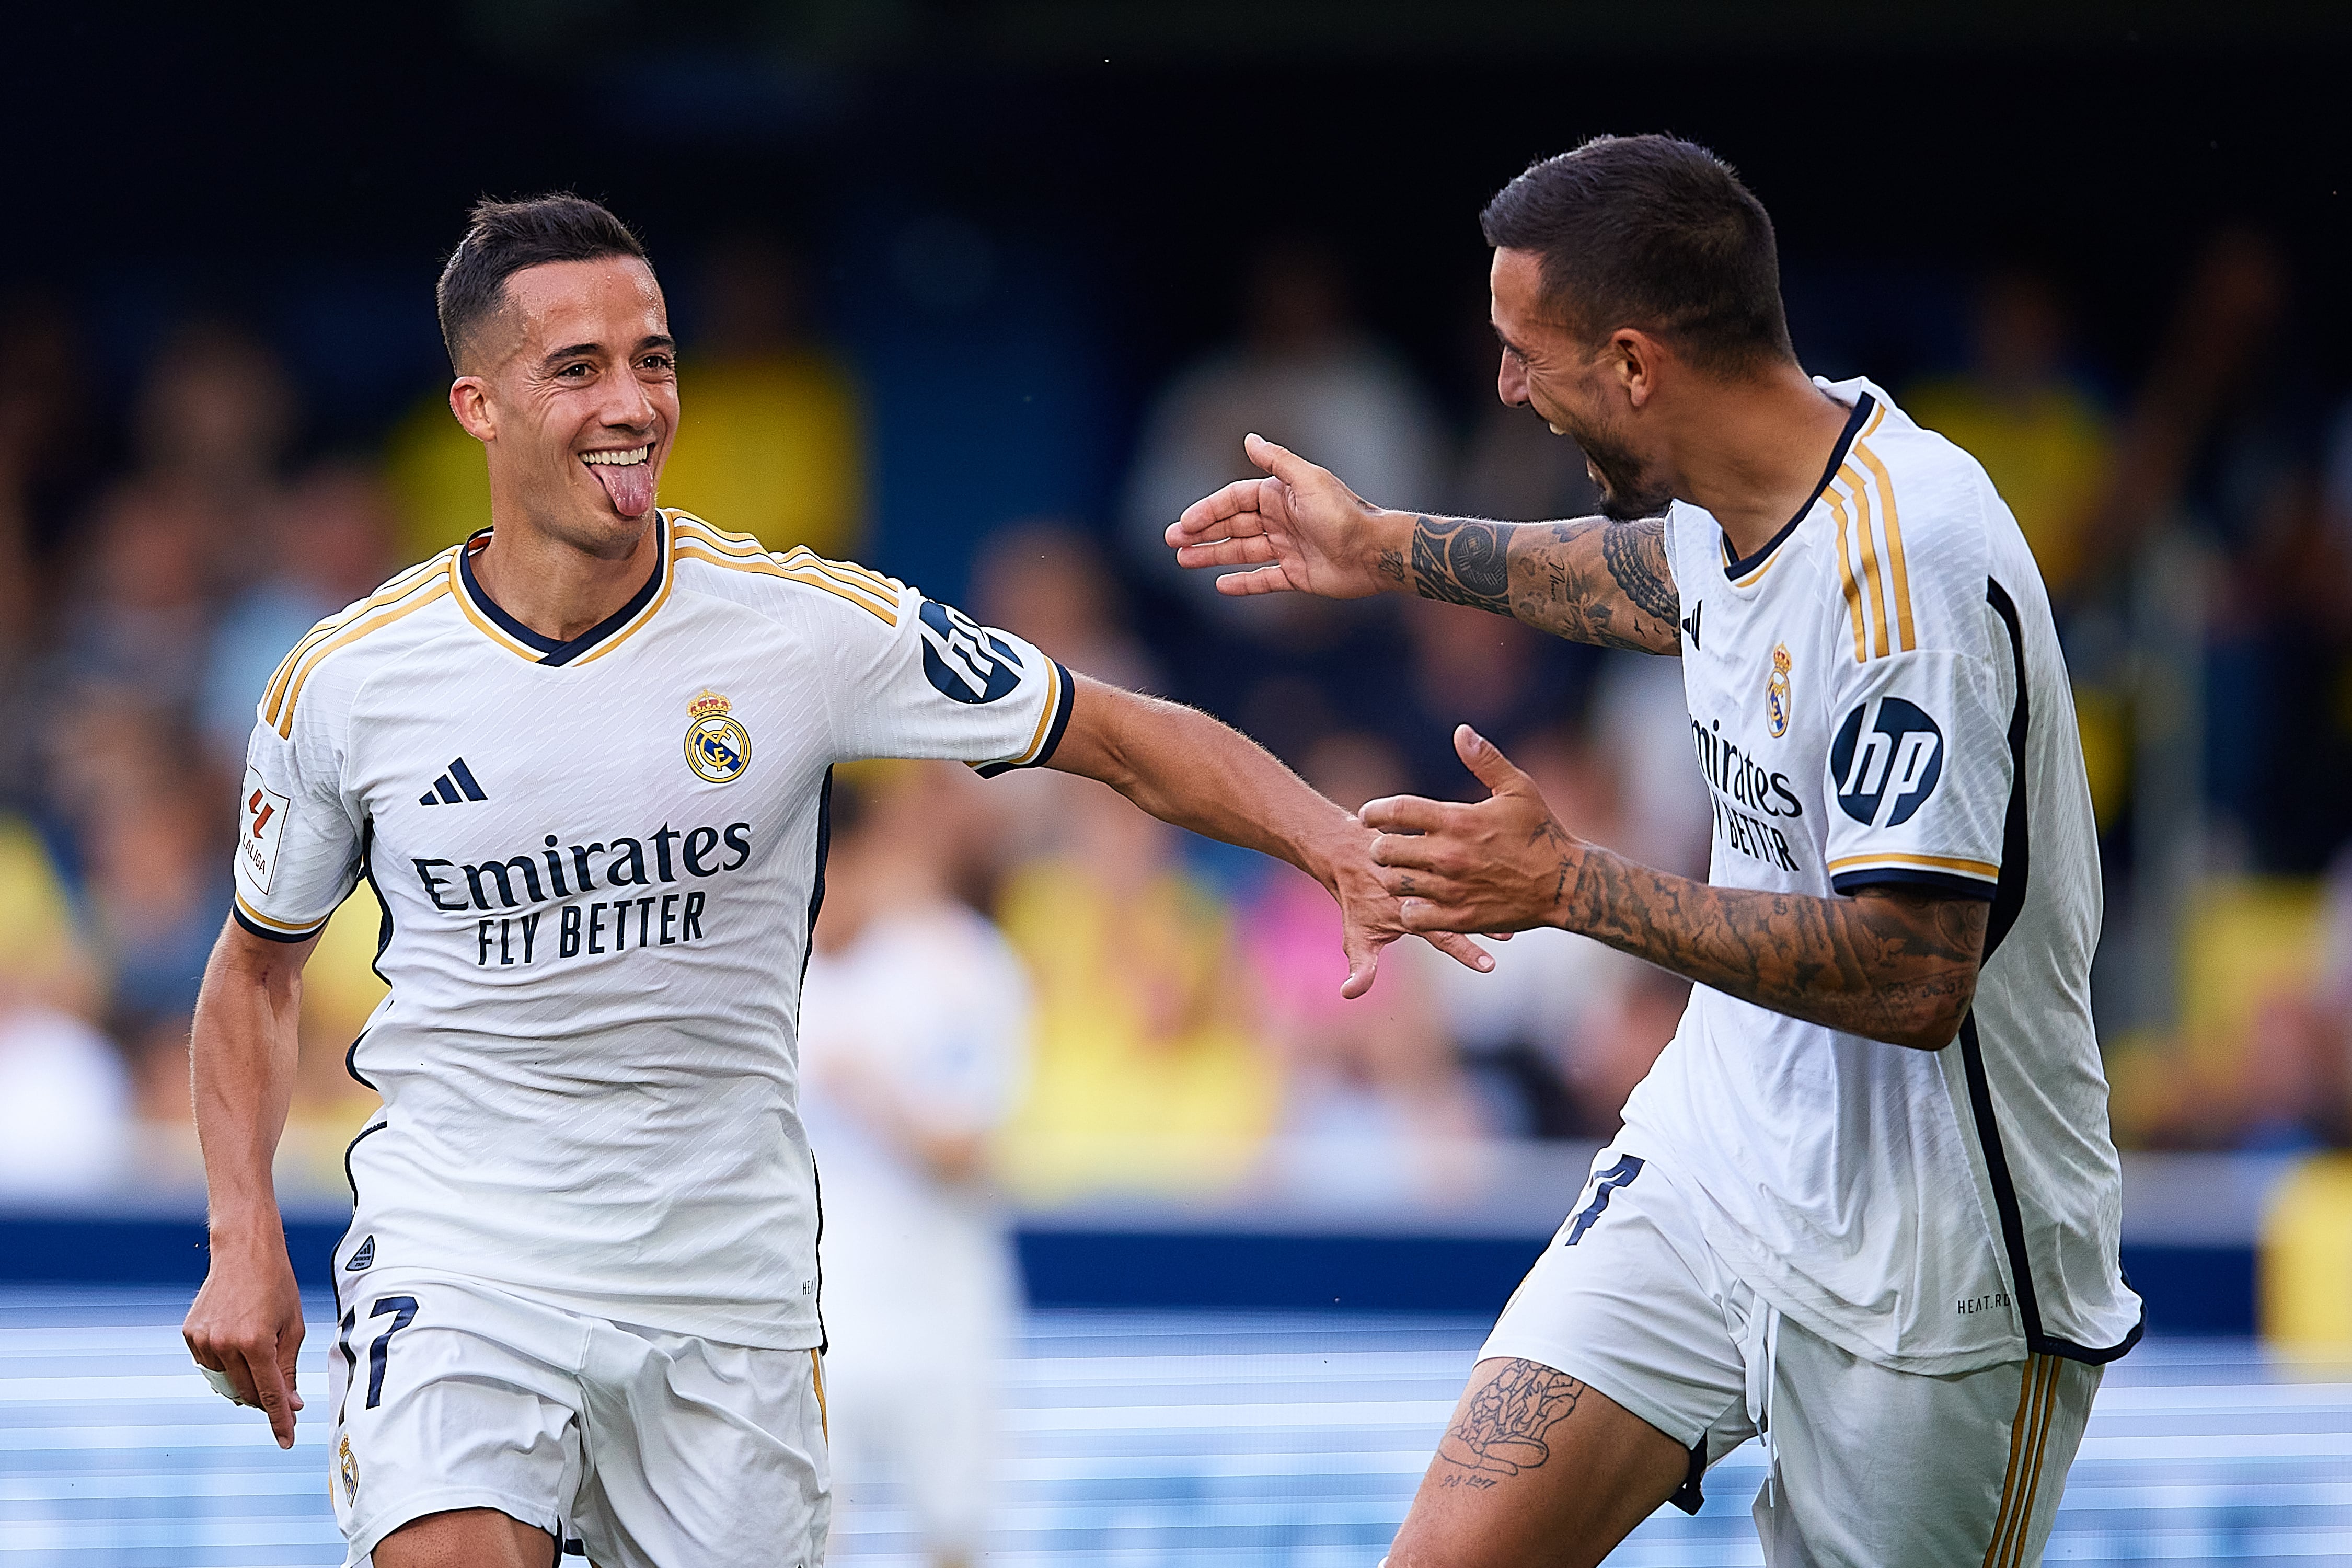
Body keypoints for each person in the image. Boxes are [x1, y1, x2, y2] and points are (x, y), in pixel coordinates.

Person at [179, 194, 1489, 1568]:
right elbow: (256, 966)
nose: (631, 403)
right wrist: (239, 1230)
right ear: (480, 407)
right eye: (578, 369)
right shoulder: (346, 684)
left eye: (655, 359)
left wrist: (1329, 840)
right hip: (463, 1252)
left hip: (723, 1284)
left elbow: (1115, 731)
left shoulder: (801, 629)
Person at [1168, 134, 2138, 1568]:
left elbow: (1910, 973)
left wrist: (1570, 886)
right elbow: (1656, 581)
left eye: (1521, 352)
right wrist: (1380, 545)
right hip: (1714, 1166)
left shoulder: (1909, 571)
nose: (1502, 386)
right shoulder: (1751, 486)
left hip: (1938, 1269)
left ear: (1631, 365)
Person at [797, 763, 1027, 1567]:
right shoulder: (771, 980)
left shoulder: (958, 966)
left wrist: (873, 1092)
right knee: (808, 1538)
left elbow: (968, 1148)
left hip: (942, 1312)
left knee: (953, 1537)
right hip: (812, 1320)